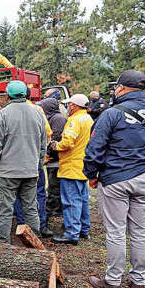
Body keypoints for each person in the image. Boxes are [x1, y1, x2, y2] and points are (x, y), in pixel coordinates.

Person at [84, 70, 145, 288]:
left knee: (116, 231)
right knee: (141, 230)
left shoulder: (112, 114)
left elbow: (96, 147)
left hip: (115, 178)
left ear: (122, 88)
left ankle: (113, 281)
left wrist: (91, 174)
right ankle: (138, 281)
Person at [0, 80, 46, 243]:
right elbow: (42, 145)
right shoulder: (38, 113)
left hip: (7, 173)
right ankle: (35, 245)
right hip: (31, 171)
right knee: (31, 209)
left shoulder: (2, 114)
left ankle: (2, 247)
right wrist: (37, 166)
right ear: (26, 94)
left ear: (7, 95)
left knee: (3, 211)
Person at [50, 94, 94, 245]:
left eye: (69, 105)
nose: (68, 108)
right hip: (82, 165)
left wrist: (56, 145)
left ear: (74, 106)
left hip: (71, 166)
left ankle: (71, 233)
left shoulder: (74, 120)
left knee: (70, 201)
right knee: (82, 200)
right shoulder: (88, 119)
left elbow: (67, 142)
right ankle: (83, 230)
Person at [13, 87, 54, 237]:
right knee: (39, 193)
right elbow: (48, 133)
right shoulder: (38, 110)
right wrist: (42, 154)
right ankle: (41, 226)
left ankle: (21, 226)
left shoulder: (8, 110)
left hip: (16, 161)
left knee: (18, 193)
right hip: (34, 160)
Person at [37, 97, 67, 218]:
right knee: (52, 184)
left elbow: (55, 138)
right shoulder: (51, 118)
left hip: (56, 160)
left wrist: (48, 153)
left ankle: (54, 209)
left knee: (54, 186)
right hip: (52, 159)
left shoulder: (58, 119)